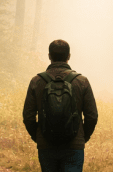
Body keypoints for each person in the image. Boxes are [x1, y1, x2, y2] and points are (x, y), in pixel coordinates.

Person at [23, 39, 98, 172]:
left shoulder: (36, 81)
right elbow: (92, 116)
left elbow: (28, 117)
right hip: (74, 146)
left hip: (46, 146)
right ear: (68, 56)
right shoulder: (82, 81)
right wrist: (81, 137)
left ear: (49, 56)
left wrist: (40, 136)